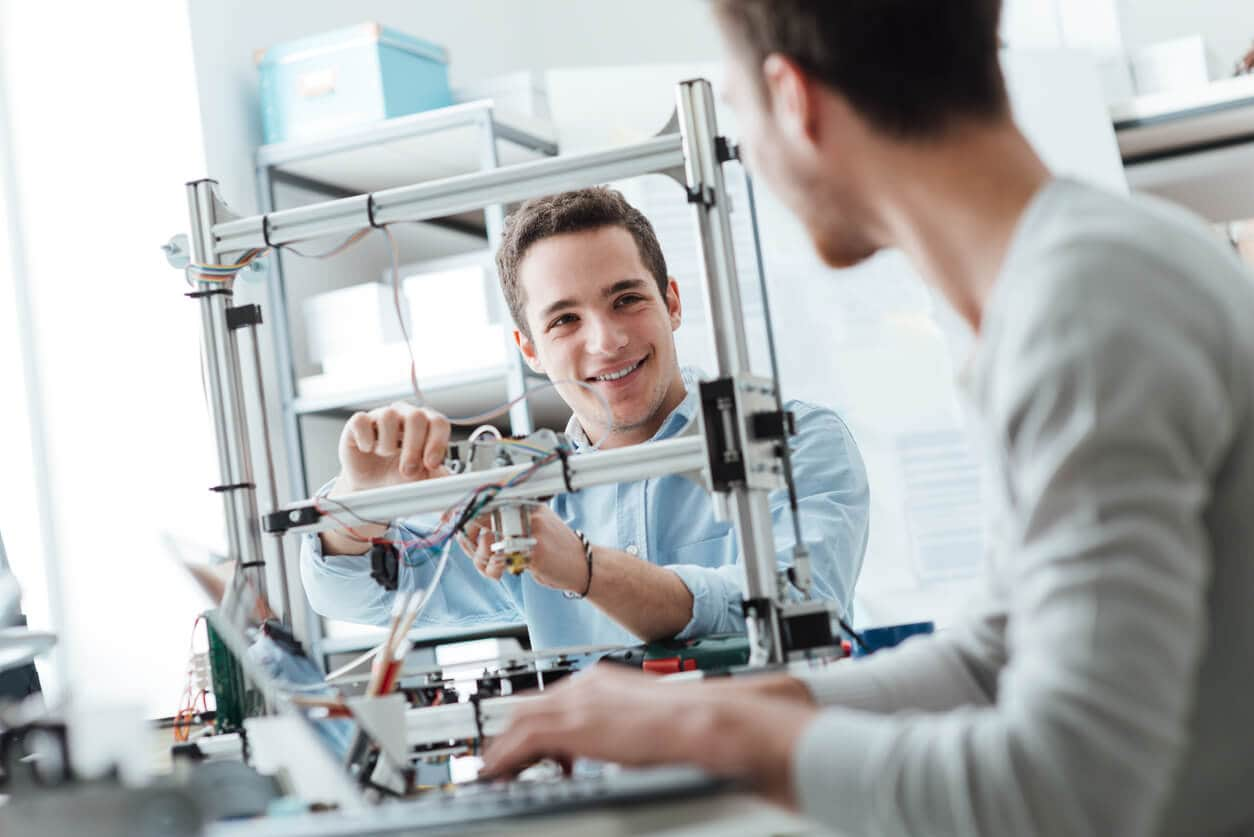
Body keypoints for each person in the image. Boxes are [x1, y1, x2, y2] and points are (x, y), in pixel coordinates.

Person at [480, 2, 1254, 835]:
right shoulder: (1067, 281)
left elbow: (1067, 787)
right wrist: (743, 700)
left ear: (792, 100)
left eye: (737, 111)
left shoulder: (1084, 309)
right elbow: (993, 654)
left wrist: (709, 725)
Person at [300, 187, 869, 650]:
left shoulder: (791, 440)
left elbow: (798, 607)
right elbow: (353, 596)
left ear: (672, 303)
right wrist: (361, 505)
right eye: (564, 320)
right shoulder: (528, 497)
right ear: (529, 349)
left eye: (627, 300)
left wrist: (583, 567)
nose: (607, 341)